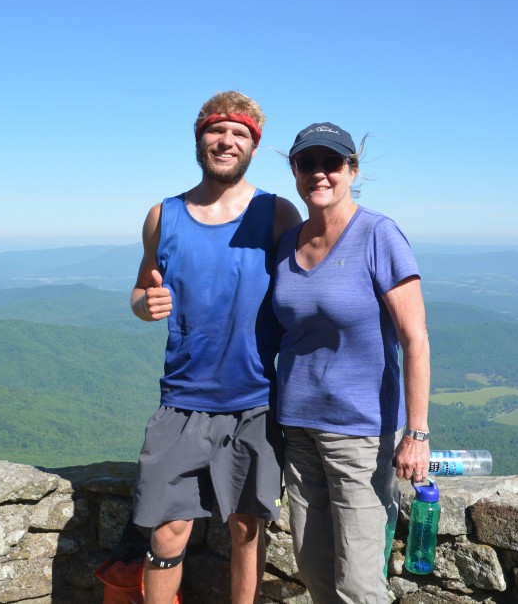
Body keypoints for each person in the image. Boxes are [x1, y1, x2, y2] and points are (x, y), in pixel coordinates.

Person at [130, 91, 302, 604]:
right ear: (199, 137)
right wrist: (145, 304)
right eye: (216, 131)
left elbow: (306, 292)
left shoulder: (276, 215)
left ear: (253, 145)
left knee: (247, 532)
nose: (226, 141)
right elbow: (143, 289)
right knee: (167, 531)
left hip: (253, 402)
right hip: (181, 400)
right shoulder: (164, 215)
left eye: (240, 134)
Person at [272, 122, 431, 604]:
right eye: (308, 164)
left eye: (332, 163)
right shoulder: (287, 243)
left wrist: (418, 433)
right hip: (297, 428)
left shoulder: (378, 235)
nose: (320, 173)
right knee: (314, 568)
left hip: (359, 434)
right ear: (295, 171)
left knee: (359, 584)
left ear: (352, 170)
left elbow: (415, 338)